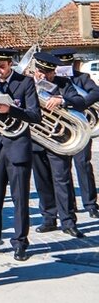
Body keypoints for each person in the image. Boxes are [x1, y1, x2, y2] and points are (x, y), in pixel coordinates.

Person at [0, 48, 41, 262]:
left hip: (17, 146)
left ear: (10, 64)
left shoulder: (25, 83)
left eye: (1, 67)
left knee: (20, 199)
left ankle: (20, 242)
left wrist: (10, 109)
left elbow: (35, 115)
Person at [29, 52, 87, 238]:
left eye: (49, 73)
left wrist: (62, 100)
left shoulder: (63, 85)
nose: (44, 76)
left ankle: (68, 221)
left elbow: (80, 101)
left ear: (54, 72)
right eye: (41, 72)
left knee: (62, 181)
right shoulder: (27, 84)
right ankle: (48, 218)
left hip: (58, 140)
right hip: (37, 139)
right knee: (42, 181)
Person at [49, 47, 99, 219]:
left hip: (80, 128)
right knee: (63, 170)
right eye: (61, 64)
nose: (64, 67)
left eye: (67, 64)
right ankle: (70, 205)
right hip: (61, 130)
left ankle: (91, 204)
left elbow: (96, 93)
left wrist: (80, 102)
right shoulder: (51, 81)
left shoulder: (81, 78)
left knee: (83, 165)